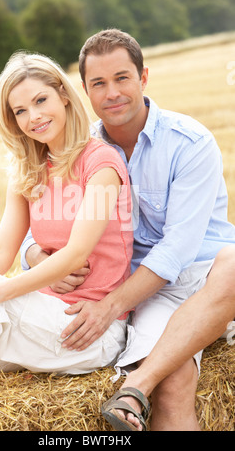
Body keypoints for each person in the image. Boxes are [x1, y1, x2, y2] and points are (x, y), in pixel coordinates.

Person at [20, 29, 235, 431]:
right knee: (173, 384)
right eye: (98, 83)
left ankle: (135, 384)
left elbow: (179, 249)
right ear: (84, 91)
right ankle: (142, 389)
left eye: (122, 78)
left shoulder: (190, 143)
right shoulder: (83, 157)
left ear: (144, 78)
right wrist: (36, 255)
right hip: (151, 290)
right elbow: (42, 224)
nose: (112, 92)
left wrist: (110, 306)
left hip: (208, 273)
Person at [0, 51, 134, 403]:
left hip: (89, 328)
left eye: (41, 100)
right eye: (20, 111)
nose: (34, 117)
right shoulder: (28, 168)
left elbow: (75, 255)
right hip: (40, 317)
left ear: (63, 94)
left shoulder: (101, 162)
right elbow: (0, 253)